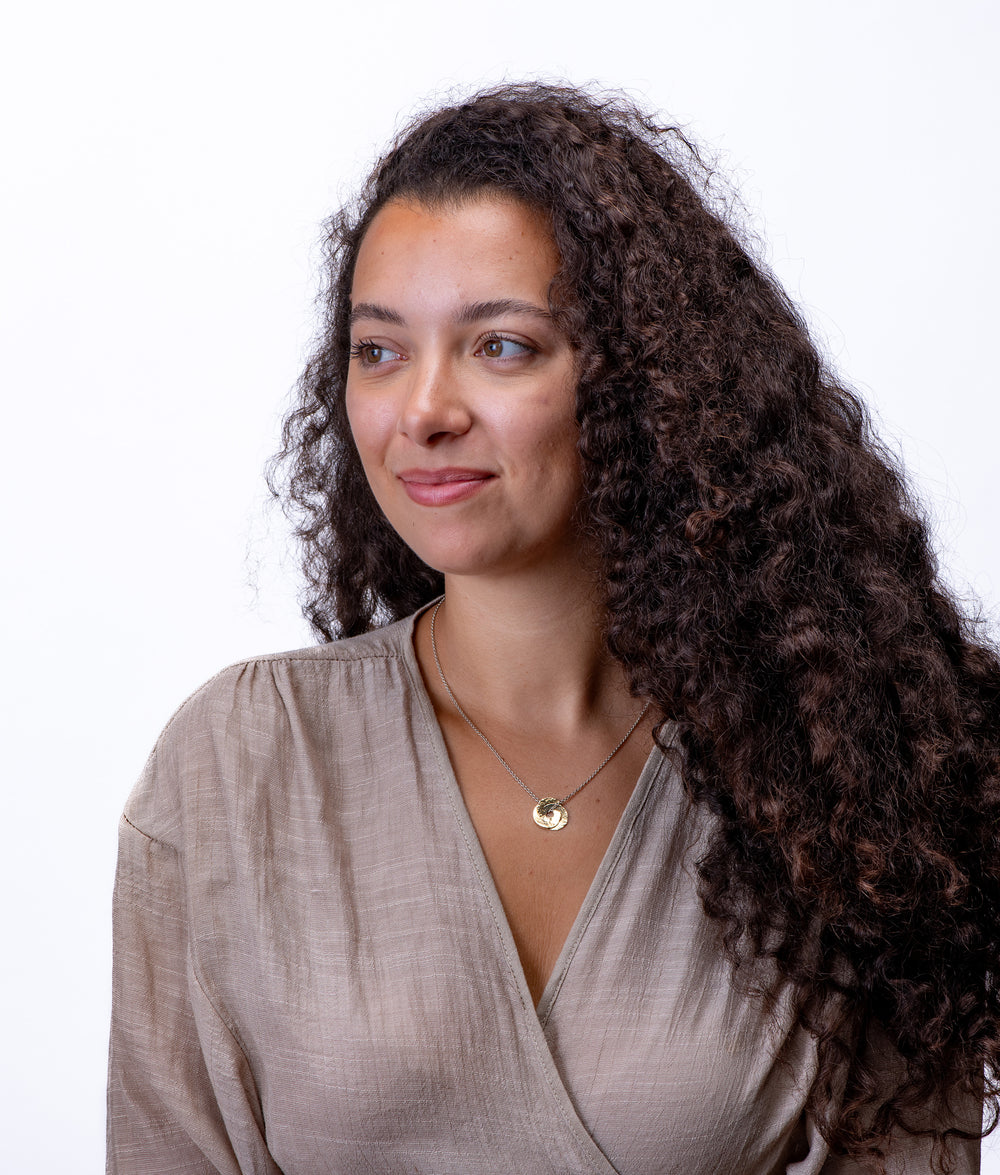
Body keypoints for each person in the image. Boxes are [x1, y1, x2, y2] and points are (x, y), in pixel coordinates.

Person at [106, 83, 1000, 1174]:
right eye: (379, 350)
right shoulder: (241, 761)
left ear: (642, 382)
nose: (423, 408)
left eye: (502, 347)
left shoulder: (840, 780)